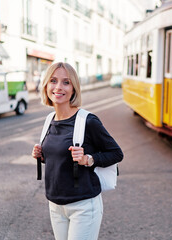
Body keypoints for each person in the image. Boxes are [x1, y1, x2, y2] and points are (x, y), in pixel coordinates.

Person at [31, 62, 123, 240]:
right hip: (55, 204)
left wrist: (87, 159)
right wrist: (41, 155)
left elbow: (116, 153)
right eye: (53, 81)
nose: (58, 87)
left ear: (74, 89)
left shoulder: (88, 121)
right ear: (46, 85)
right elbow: (57, 159)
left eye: (66, 82)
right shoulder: (49, 119)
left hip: (83, 206)